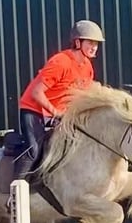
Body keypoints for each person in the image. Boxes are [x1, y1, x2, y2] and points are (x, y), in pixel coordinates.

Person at [12, 19, 105, 182]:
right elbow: (36, 92)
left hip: (58, 114)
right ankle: (16, 193)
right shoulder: (61, 62)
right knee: (34, 150)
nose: (94, 47)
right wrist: (55, 112)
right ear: (78, 42)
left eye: (96, 43)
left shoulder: (87, 67)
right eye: (90, 42)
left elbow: (85, 92)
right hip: (34, 110)